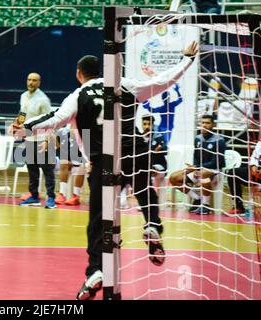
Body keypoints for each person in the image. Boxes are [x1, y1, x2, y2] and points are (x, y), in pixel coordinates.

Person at [14, 42, 198, 300]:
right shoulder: (125, 84)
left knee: (99, 220)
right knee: (145, 188)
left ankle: (95, 270)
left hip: (103, 160)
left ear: (79, 73)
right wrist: (187, 59)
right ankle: (152, 224)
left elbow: (55, 119)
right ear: (100, 71)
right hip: (133, 150)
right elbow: (163, 81)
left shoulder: (79, 95)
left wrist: (23, 128)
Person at [10, 72, 57, 209]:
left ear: (39, 82)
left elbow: (51, 119)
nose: (31, 82)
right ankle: (34, 197)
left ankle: (51, 198)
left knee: (47, 170)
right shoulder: (23, 96)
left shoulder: (43, 100)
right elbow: (23, 114)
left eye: (34, 80)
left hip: (42, 139)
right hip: (29, 138)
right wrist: (18, 124)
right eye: (29, 80)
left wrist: (49, 140)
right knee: (32, 170)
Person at [169, 114, 226, 215]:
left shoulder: (219, 140)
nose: (204, 125)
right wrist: (194, 169)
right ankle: (197, 199)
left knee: (203, 174)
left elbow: (217, 162)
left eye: (207, 123)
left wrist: (197, 168)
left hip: (215, 171)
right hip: (199, 169)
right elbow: (196, 157)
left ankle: (206, 205)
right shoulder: (198, 138)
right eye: (203, 123)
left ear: (213, 125)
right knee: (174, 178)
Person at [226, 141, 261, 215]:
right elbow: (254, 158)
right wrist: (253, 166)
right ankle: (239, 207)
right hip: (256, 174)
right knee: (232, 173)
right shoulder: (259, 143)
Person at [55, 125, 85, 205]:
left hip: (81, 163)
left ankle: (76, 196)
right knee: (64, 162)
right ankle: (62, 194)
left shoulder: (85, 135)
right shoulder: (64, 133)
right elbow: (55, 139)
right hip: (68, 162)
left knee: (83, 167)